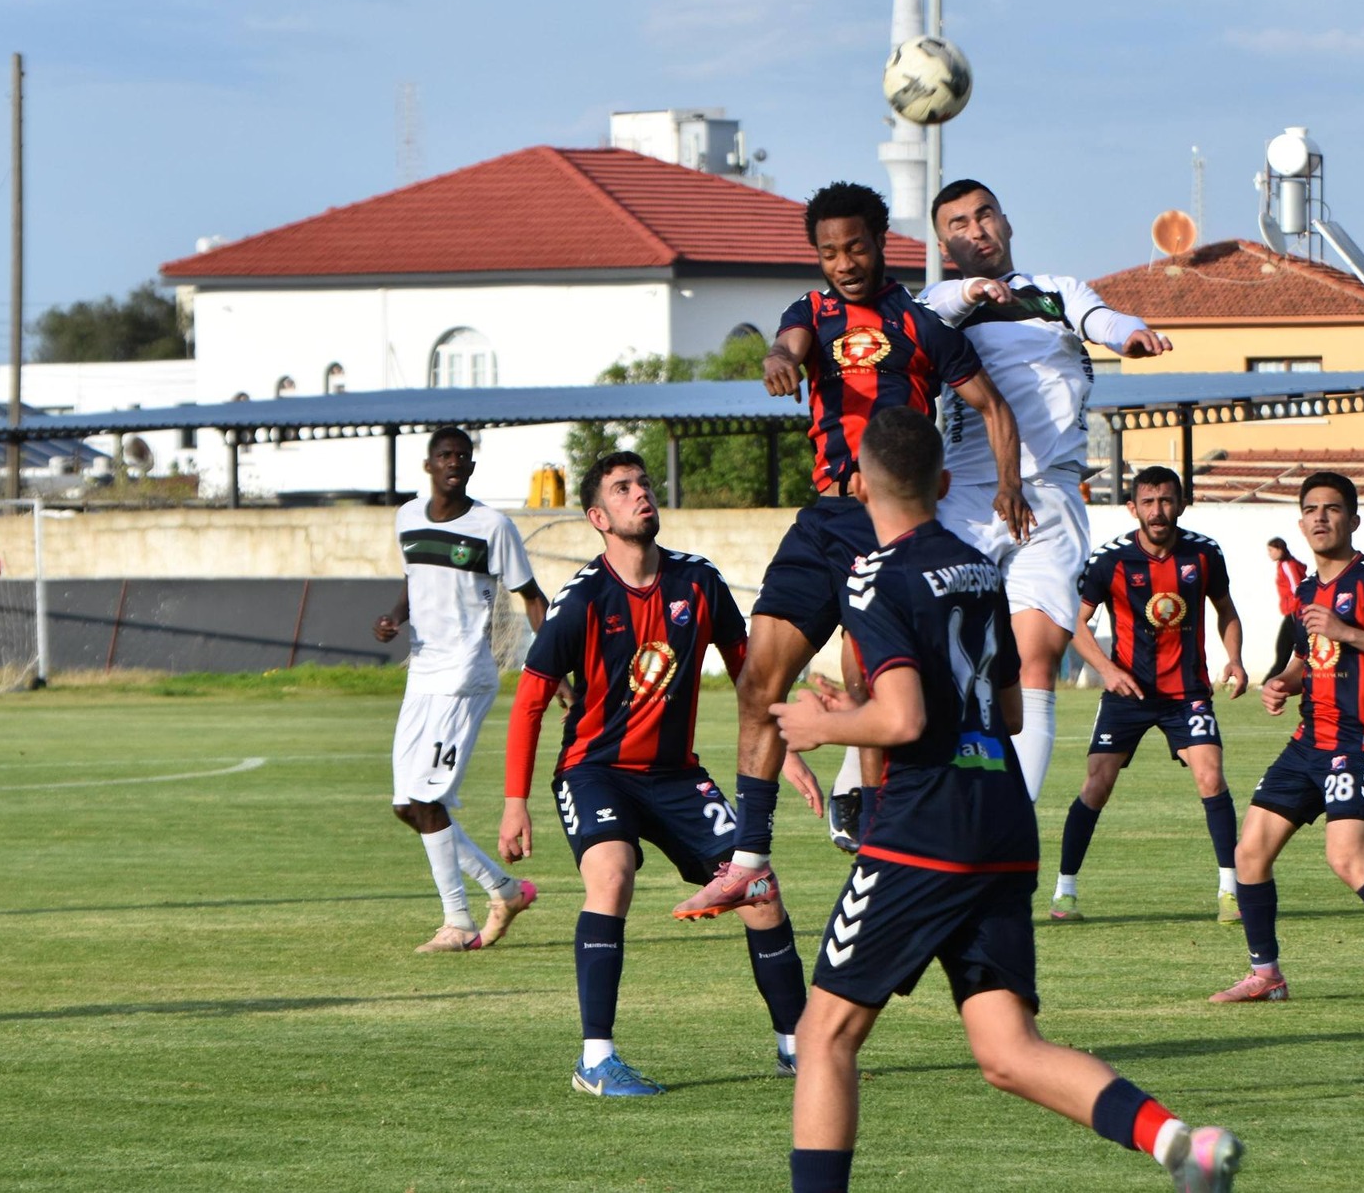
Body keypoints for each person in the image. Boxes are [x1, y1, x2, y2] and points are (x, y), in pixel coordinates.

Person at [769, 406, 1242, 1193]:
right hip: (1001, 817)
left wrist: (826, 723)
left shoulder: (874, 575)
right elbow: (1011, 710)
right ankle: (1179, 1145)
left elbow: (903, 720)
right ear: (943, 483)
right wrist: (866, 707)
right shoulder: (983, 569)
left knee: (824, 1035)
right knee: (1007, 1051)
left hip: (923, 828)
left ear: (862, 487)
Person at [670, 181, 1032, 921]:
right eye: (829, 252)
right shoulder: (811, 312)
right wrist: (777, 359)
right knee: (758, 681)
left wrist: (1008, 485)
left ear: (880, 243)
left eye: (856, 248)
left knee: (872, 683)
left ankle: (880, 841)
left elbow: (993, 405)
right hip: (824, 520)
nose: (844, 263)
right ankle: (750, 861)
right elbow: (788, 345)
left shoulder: (921, 324)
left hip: (890, 525)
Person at [827, 178, 1170, 821]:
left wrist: (1130, 333)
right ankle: (860, 778)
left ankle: (1009, 820)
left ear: (1006, 222)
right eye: (958, 224)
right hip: (964, 495)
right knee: (911, 632)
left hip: (1051, 497)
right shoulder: (934, 303)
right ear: (943, 245)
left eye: (984, 215)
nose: (976, 229)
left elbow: (1101, 319)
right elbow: (943, 303)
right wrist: (974, 290)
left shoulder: (1056, 291)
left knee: (1033, 661)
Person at [498, 451, 807, 1095]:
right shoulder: (582, 598)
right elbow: (530, 700)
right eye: (622, 488)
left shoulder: (698, 581)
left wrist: (789, 745)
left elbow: (752, 674)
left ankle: (799, 1047)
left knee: (758, 887)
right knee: (612, 874)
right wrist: (514, 802)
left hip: (675, 774)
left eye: (643, 483)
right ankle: (596, 1061)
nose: (641, 494)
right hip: (595, 771)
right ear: (598, 518)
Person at [1211, 471, 1364, 1011]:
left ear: (1353, 520)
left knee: (1346, 857)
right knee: (1249, 852)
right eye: (1311, 509)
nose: (1320, 517)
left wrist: (1346, 631)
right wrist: (1282, 682)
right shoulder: (1306, 591)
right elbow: (1308, 659)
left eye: (1333, 508)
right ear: (1301, 523)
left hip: (1356, 741)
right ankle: (1266, 975)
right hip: (1307, 742)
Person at [373, 426, 548, 954]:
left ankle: (459, 922)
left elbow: (531, 596)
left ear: (471, 467)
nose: (454, 462)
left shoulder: (492, 526)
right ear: (429, 465)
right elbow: (414, 579)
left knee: (427, 799)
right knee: (406, 805)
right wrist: (395, 617)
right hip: (422, 675)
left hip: (465, 677)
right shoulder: (407, 517)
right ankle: (505, 889)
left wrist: (552, 667)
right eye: (445, 455)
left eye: (462, 456)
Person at [1052, 466, 1247, 925]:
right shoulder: (1110, 560)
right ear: (1132, 508)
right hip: (1128, 693)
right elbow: (1075, 623)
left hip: (1187, 693)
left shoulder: (1204, 553)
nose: (1157, 511)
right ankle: (1065, 891)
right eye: (1148, 502)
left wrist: (1235, 659)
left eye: (1165, 500)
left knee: (1211, 778)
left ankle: (1230, 891)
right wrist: (1107, 671)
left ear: (1181, 504)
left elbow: (1226, 611)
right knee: (1097, 785)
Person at [1266, 538, 1309, 680]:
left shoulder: (1287, 565)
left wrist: (1296, 607)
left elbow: (1296, 587)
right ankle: (1270, 681)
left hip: (1295, 611)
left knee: (1294, 648)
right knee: (1285, 649)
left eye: (1271, 550)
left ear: (1280, 549)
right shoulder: (1285, 564)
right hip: (1293, 611)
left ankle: (1270, 681)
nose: (1269, 554)